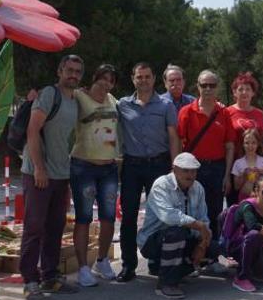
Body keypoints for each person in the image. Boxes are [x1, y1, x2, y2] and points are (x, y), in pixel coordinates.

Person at [20, 55, 83, 300]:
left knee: (55, 227)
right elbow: (32, 130)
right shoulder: (49, 94)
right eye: (69, 70)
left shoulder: (74, 100)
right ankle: (29, 280)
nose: (73, 75)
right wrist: (39, 168)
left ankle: (49, 276)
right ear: (60, 71)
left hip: (61, 174)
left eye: (78, 72)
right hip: (39, 173)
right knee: (34, 227)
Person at [116, 62, 180, 283]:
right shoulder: (122, 105)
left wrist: (175, 167)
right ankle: (128, 265)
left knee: (160, 215)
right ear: (133, 79)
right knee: (129, 216)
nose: (143, 80)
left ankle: (155, 261)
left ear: (154, 79)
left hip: (159, 165)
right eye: (139, 77)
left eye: (147, 76)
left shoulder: (165, 105)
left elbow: (173, 137)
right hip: (132, 166)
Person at [70, 64, 120, 287]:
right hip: (84, 167)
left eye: (110, 80)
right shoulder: (79, 96)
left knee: (109, 217)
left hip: (108, 168)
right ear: (94, 78)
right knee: (83, 217)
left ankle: (102, 260)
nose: (105, 83)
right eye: (102, 78)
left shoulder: (113, 100)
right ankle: (82, 267)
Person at [137, 153, 213, 300]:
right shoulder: (161, 184)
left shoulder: (198, 188)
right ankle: (166, 283)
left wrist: (202, 245)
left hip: (184, 236)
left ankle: (171, 270)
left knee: (214, 248)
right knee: (176, 233)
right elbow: (169, 216)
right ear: (174, 169)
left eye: (193, 171)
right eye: (186, 170)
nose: (190, 175)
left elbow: (204, 219)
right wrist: (198, 225)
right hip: (153, 240)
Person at [177, 70, 236, 252]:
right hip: (193, 169)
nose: (208, 89)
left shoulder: (224, 113)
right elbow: (179, 144)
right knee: (191, 212)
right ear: (198, 86)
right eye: (204, 85)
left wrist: (227, 175)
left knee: (215, 212)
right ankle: (191, 257)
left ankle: (211, 256)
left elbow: (229, 146)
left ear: (217, 88)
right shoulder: (186, 112)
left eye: (212, 85)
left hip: (217, 168)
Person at [225, 72, 263, 206]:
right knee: (235, 204)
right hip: (235, 165)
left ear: (253, 93)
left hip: (255, 165)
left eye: (248, 89)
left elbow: (262, 140)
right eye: (240, 89)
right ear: (234, 92)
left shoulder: (259, 113)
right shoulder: (227, 112)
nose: (244, 92)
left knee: (256, 202)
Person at [231, 128, 263, 202]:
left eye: (253, 143)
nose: (250, 146)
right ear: (243, 144)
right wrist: (244, 175)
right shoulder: (238, 163)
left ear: (258, 144)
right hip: (245, 199)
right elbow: (236, 187)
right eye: (247, 143)